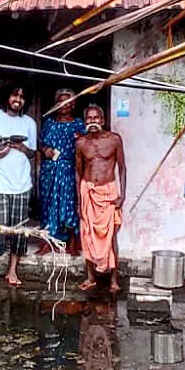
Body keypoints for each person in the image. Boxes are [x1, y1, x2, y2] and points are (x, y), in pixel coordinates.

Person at [0, 84, 38, 289]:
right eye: (14, 94)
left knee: (18, 230)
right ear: (7, 97)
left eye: (22, 96)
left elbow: (32, 153)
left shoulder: (29, 123)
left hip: (21, 183)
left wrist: (19, 146)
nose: (18, 99)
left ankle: (12, 271)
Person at [74, 104, 126, 292]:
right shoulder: (81, 143)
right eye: (89, 118)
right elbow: (78, 173)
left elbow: (122, 168)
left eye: (96, 118)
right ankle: (90, 277)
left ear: (102, 121)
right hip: (88, 192)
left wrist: (123, 196)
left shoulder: (114, 140)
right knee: (87, 236)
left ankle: (113, 280)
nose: (93, 122)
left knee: (111, 237)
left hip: (109, 193)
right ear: (85, 121)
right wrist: (79, 202)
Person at [38, 89, 86, 255]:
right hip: (49, 170)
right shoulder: (49, 123)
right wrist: (45, 150)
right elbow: (40, 143)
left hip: (68, 169)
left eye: (67, 102)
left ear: (73, 104)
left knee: (68, 206)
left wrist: (80, 139)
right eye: (60, 102)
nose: (63, 105)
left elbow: (86, 147)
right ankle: (47, 242)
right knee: (47, 204)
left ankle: (72, 243)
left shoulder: (78, 124)